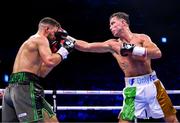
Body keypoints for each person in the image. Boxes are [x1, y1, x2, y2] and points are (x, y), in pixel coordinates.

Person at [60, 12, 178, 123]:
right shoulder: (113, 45)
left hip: (153, 85)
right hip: (132, 88)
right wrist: (66, 37)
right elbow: (86, 46)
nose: (110, 27)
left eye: (113, 23)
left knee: (171, 119)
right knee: (124, 120)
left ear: (123, 22)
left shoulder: (142, 38)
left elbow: (157, 53)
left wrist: (133, 49)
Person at [2, 17, 72, 122]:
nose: (55, 37)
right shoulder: (41, 39)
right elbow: (50, 61)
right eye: (55, 32)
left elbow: (42, 72)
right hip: (26, 88)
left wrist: (57, 53)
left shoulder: (31, 41)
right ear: (47, 29)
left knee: (52, 120)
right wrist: (65, 50)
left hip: (12, 89)